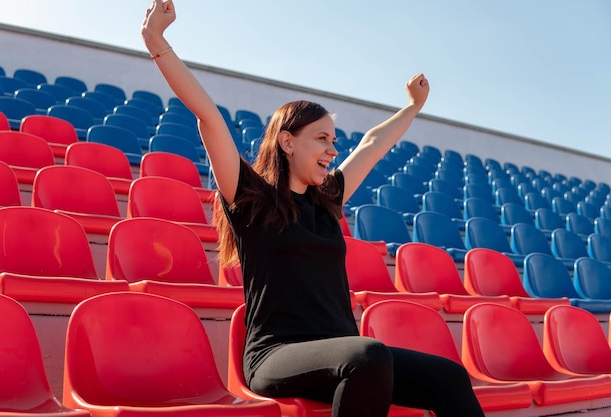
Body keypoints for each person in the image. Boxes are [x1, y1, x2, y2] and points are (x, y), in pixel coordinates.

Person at [142, 1, 485, 416]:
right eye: (321, 139)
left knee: (448, 377)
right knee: (369, 356)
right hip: (277, 354)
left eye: (334, 141)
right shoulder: (251, 199)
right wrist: (157, 42)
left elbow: (372, 146)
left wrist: (412, 107)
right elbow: (209, 117)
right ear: (287, 142)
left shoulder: (328, 200)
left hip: (345, 355)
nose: (332, 150)